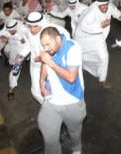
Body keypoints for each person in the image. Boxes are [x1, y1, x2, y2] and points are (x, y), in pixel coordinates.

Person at [38, 26, 86, 154]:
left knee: (75, 132)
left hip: (72, 101)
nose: (46, 48)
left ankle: (77, 149)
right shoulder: (48, 49)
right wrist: (42, 82)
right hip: (51, 102)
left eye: (48, 44)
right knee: (48, 137)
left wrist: (51, 63)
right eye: (43, 45)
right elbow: (44, 68)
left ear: (58, 39)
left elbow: (71, 77)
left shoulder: (73, 48)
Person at [74, 0, 121, 88]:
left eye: (106, 4)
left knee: (104, 57)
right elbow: (83, 26)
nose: (105, 7)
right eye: (102, 5)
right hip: (85, 37)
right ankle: (84, 67)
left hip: (98, 37)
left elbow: (115, 11)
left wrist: (120, 16)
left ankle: (102, 80)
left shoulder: (109, 6)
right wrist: (100, 25)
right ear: (98, 5)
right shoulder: (91, 12)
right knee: (82, 53)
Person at [20, 11, 71, 103]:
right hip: (35, 65)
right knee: (35, 91)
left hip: (49, 65)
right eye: (30, 26)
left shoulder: (50, 31)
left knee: (53, 88)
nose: (32, 29)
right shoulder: (29, 31)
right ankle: (46, 105)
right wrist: (20, 56)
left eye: (35, 26)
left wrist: (46, 55)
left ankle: (55, 107)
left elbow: (66, 37)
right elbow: (29, 45)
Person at [0, 19, 29, 100]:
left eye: (12, 30)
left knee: (15, 70)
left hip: (22, 52)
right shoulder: (6, 30)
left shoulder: (23, 31)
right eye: (9, 31)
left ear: (16, 28)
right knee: (6, 52)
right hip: (12, 49)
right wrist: (1, 38)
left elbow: (28, 45)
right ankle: (8, 60)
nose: (11, 32)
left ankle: (11, 89)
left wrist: (21, 55)